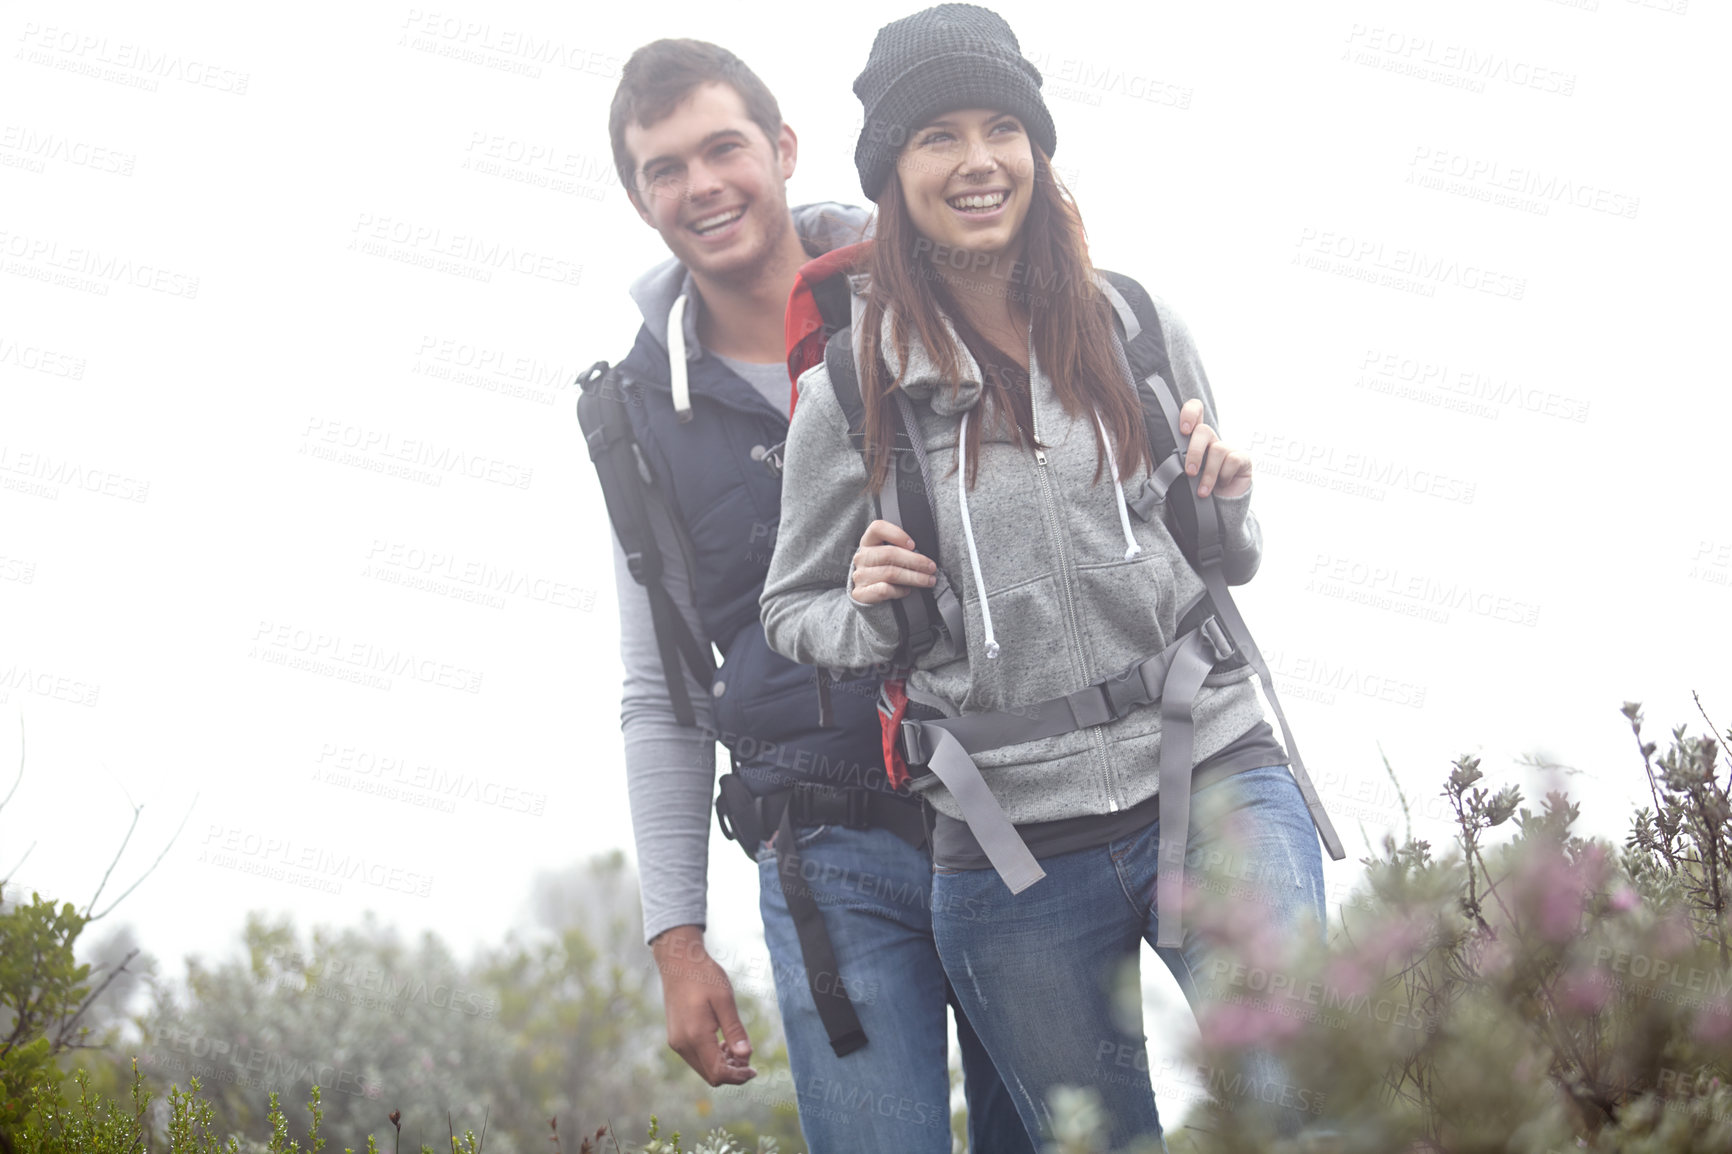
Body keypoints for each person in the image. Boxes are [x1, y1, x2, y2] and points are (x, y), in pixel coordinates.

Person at [760, 5, 1344, 1148]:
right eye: (937, 137)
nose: (977, 162)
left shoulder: (1134, 322)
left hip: (1210, 771)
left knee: (1301, 1108)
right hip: (1010, 842)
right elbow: (789, 609)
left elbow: (1227, 557)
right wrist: (866, 612)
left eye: (1000, 130)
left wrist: (1223, 507)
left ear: (1035, 146)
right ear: (891, 171)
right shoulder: (847, 392)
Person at [595, 38, 1031, 1153]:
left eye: (723, 147)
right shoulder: (636, 416)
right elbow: (663, 693)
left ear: (783, 150)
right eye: (662, 167)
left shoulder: (937, 282)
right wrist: (677, 940)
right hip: (824, 853)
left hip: (1018, 813)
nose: (701, 185)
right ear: (638, 196)